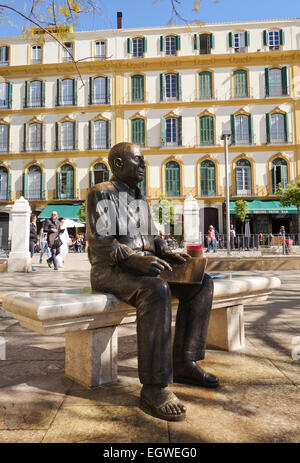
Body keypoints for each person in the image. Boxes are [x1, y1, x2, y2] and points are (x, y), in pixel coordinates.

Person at [86, 142, 219, 423]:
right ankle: (155, 386)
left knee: (201, 281)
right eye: (138, 160)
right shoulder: (102, 194)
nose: (144, 166)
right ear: (119, 164)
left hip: (146, 266)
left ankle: (184, 361)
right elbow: (102, 245)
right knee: (156, 290)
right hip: (111, 270)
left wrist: (165, 250)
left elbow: (151, 239)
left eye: (143, 161)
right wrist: (135, 259)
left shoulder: (140, 198)